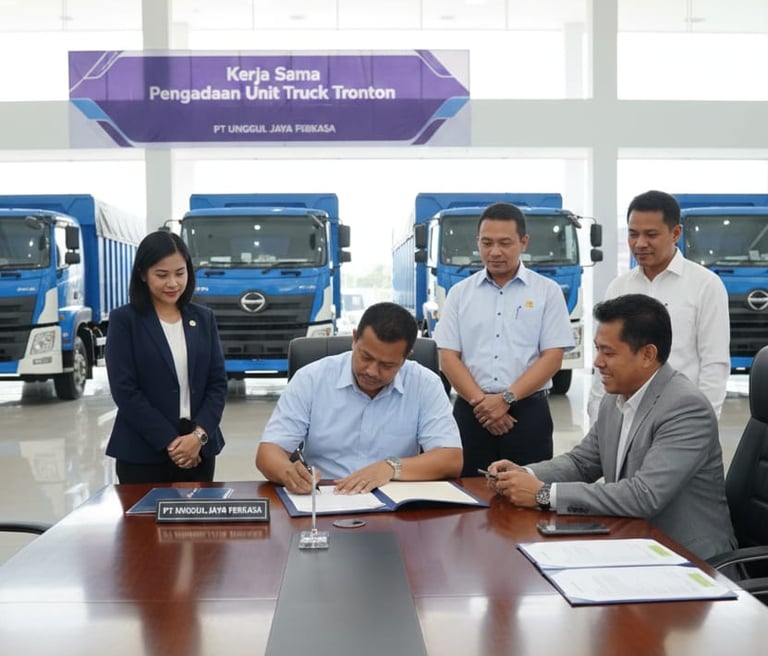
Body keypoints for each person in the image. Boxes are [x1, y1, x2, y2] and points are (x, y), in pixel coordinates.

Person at [488, 294, 735, 560]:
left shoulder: (685, 407)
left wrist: (544, 494)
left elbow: (644, 495)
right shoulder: (615, 398)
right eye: (597, 349)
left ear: (647, 355)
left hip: (688, 558)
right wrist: (523, 474)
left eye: (608, 352)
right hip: (633, 542)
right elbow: (582, 462)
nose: (597, 362)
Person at [256, 302, 463, 494]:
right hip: (326, 496)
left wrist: (390, 468)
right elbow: (268, 452)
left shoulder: (425, 384)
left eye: (387, 365)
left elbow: (451, 459)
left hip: (394, 499)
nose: (372, 371)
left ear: (405, 357)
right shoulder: (311, 379)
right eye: (366, 357)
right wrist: (287, 473)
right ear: (355, 339)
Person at [434, 202, 575, 477]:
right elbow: (448, 357)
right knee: (466, 492)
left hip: (528, 413)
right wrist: (483, 404)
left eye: (505, 243)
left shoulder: (547, 292)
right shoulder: (459, 294)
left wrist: (506, 399)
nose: (495, 251)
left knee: (526, 491)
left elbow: (552, 358)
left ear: (523, 242)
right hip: (471, 413)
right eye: (486, 243)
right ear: (477, 242)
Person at [588, 189, 729, 422]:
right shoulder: (619, 287)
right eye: (633, 234)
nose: (640, 243)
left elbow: (714, 364)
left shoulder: (705, 285)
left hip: (679, 415)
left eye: (651, 234)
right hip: (624, 419)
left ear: (676, 233)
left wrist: (701, 422)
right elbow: (605, 356)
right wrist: (598, 420)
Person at [105, 230, 227, 484]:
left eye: (180, 273)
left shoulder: (203, 319)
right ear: (143, 274)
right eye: (162, 275)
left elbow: (217, 384)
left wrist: (198, 437)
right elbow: (125, 390)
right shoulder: (124, 321)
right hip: (142, 452)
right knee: (144, 513)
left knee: (198, 511)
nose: (173, 283)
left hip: (198, 450)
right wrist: (172, 443)